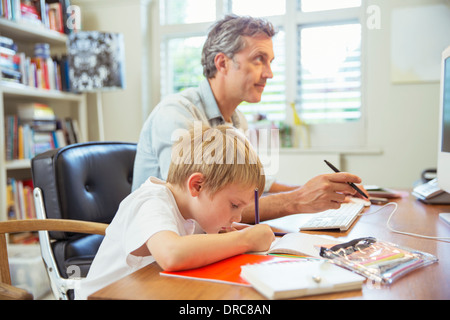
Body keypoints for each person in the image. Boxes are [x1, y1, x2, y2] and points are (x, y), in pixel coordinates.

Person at [132, 14, 364, 224]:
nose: (269, 73)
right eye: (259, 59)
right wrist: (298, 200)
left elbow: (249, 189)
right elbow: (194, 209)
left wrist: (326, 191)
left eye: (270, 61)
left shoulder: (236, 120)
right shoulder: (176, 114)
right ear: (222, 63)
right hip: (155, 257)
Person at [75, 125, 274, 300]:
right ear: (197, 185)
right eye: (234, 205)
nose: (238, 217)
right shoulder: (151, 201)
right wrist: (245, 239)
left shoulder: (192, 213)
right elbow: (172, 254)